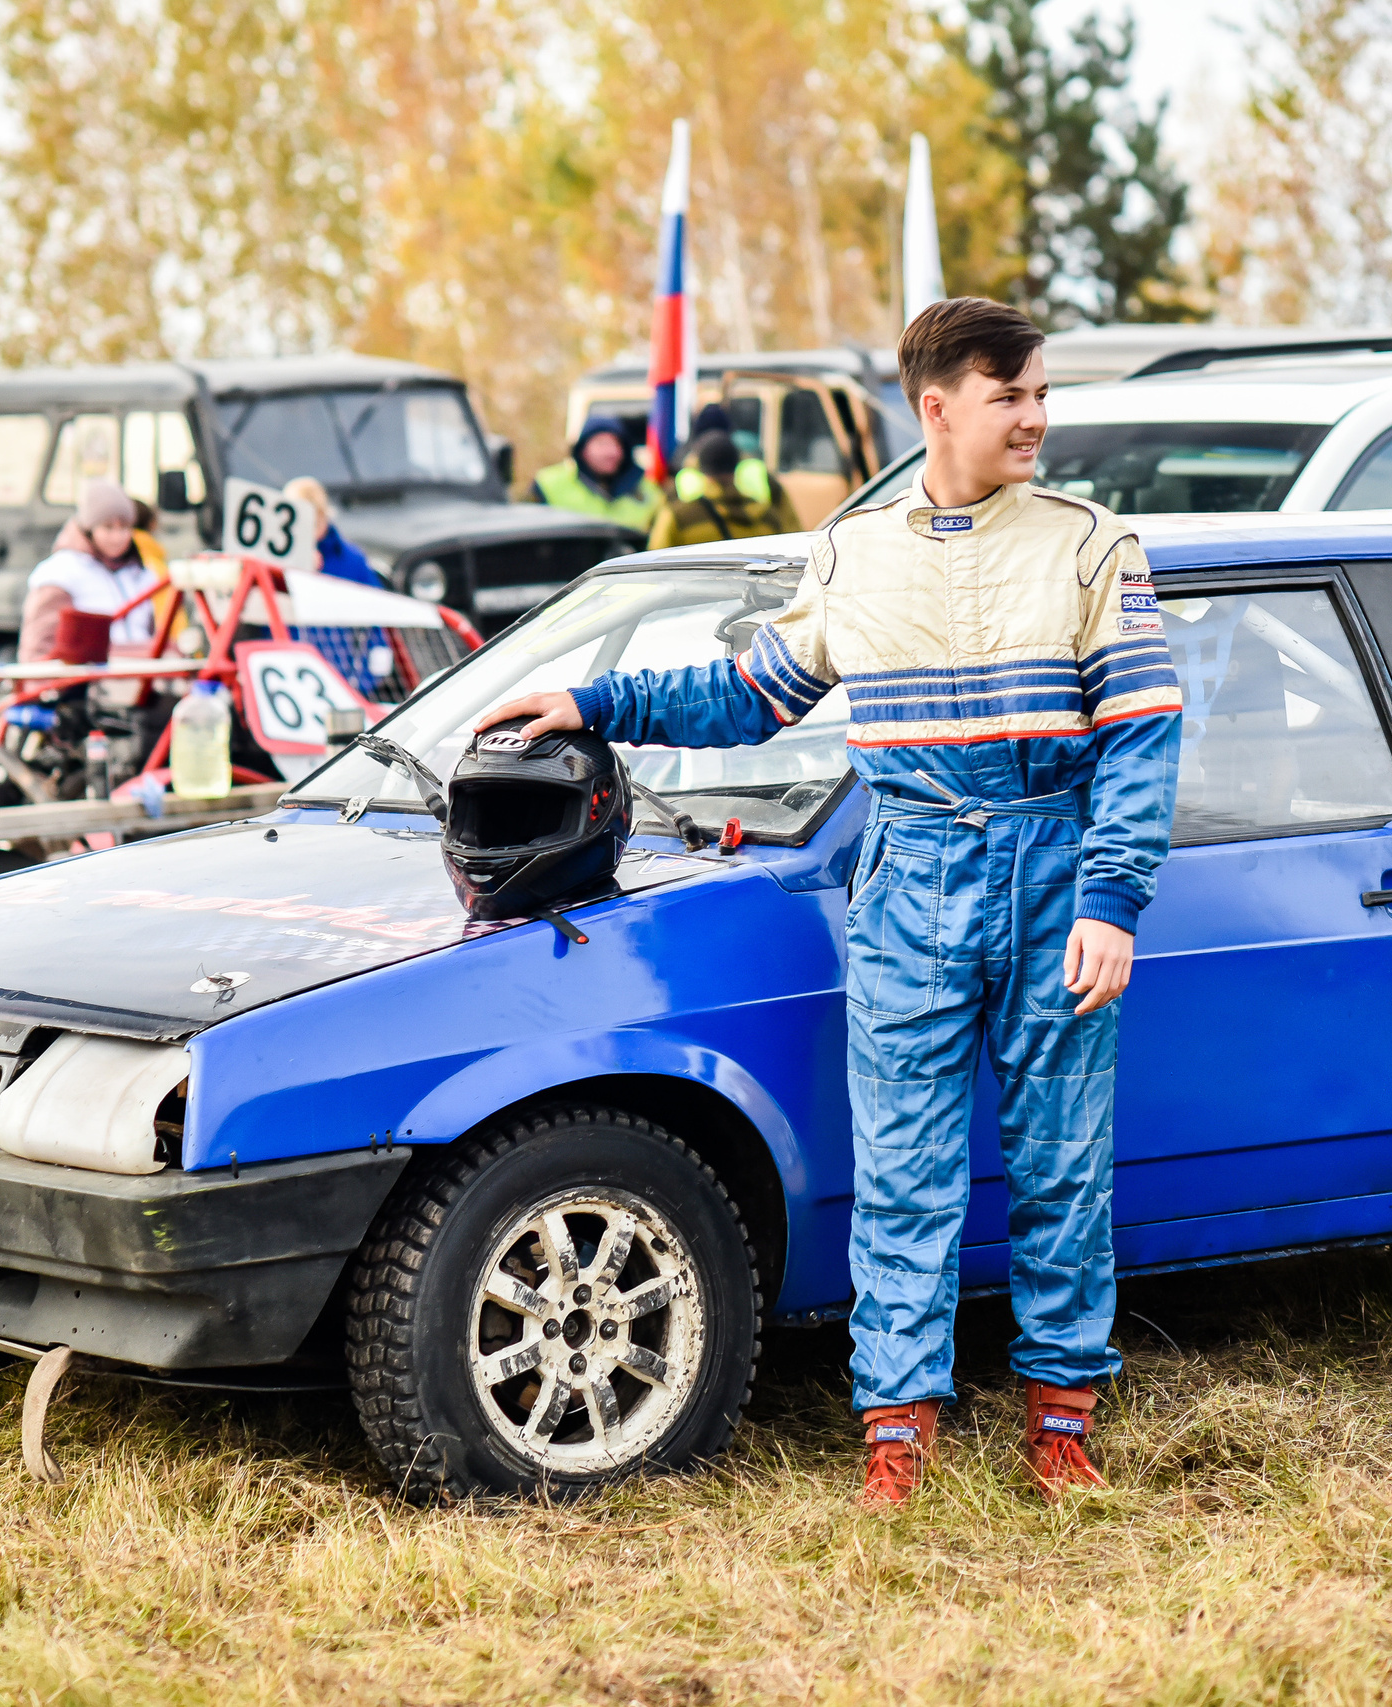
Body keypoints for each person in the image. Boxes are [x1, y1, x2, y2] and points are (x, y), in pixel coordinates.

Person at [478, 298, 1182, 1507]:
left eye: (1041, 394)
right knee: (905, 1167)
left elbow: (1144, 737)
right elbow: (751, 691)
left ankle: (1061, 1426)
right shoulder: (853, 554)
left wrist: (1109, 900)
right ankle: (897, 1437)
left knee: (1061, 1167)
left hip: (1052, 871)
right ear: (938, 407)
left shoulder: (1090, 546)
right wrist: (597, 706)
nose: (1035, 418)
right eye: (1009, 395)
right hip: (910, 881)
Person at [21, 480, 159, 662]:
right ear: (89, 529)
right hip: (88, 683)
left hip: (141, 677)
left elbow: (150, 631)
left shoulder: (140, 574)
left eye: (124, 527)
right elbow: (40, 648)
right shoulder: (61, 573)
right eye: (108, 527)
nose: (118, 537)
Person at [646, 432, 796, 548]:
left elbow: (654, 563)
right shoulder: (767, 516)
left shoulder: (678, 517)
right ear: (737, 466)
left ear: (700, 468)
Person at [529, 415, 663, 537]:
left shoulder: (649, 490)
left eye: (616, 443)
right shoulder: (549, 484)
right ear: (582, 450)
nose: (611, 452)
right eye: (601, 443)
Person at [674, 402, 801, 531]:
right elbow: (790, 524)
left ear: (696, 443)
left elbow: (664, 534)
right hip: (757, 542)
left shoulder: (683, 476)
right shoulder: (756, 470)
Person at [283, 476, 382, 586]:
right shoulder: (275, 557)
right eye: (300, 524)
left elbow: (378, 600)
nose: (309, 533)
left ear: (324, 517)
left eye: (315, 524)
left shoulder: (353, 560)